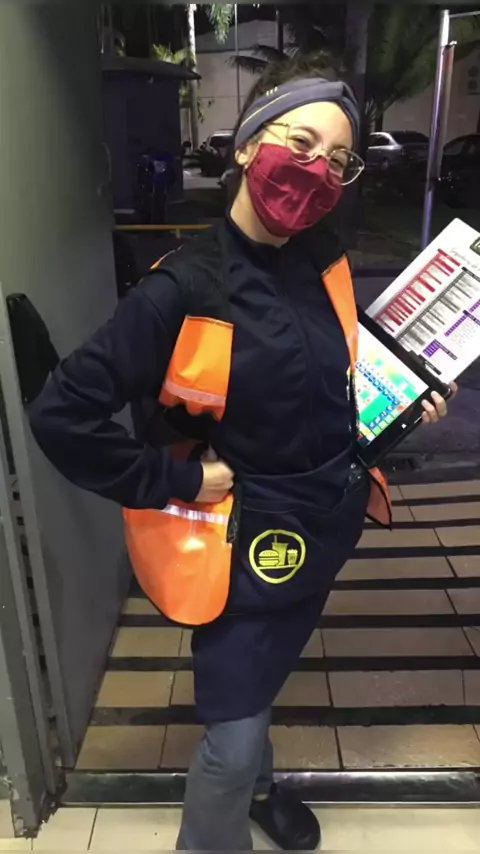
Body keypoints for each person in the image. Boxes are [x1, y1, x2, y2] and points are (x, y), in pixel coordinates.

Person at [28, 59, 454, 851]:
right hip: (244, 546)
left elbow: (330, 380)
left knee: (262, 687)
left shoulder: (322, 257)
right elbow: (62, 416)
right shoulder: (182, 290)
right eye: (302, 143)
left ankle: (261, 789)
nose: (318, 171)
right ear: (248, 145)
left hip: (324, 526)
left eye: (339, 160)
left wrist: (405, 403)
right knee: (231, 731)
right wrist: (177, 478)